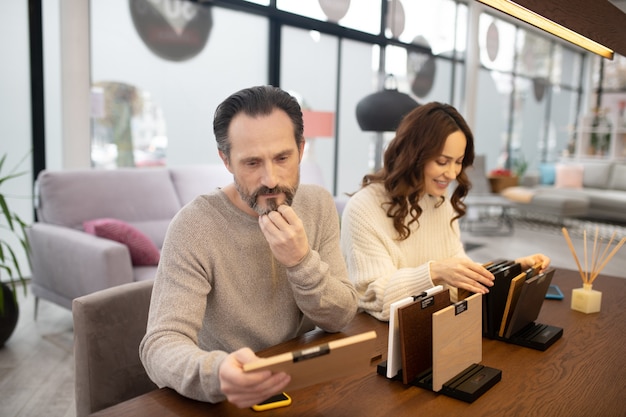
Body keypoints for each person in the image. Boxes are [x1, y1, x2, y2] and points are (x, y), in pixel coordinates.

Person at [139, 85, 358, 408]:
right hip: (228, 397)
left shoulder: (318, 204)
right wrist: (217, 373)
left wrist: (300, 261)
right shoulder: (194, 226)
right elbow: (160, 344)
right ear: (226, 160)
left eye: (283, 158)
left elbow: (340, 317)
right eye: (252, 163)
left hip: (303, 380)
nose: (270, 179)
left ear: (301, 148)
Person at [340, 102, 550, 321]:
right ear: (413, 155)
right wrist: (434, 272)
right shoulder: (363, 209)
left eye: (458, 162)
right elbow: (374, 298)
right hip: (379, 336)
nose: (452, 173)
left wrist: (512, 269)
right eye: (442, 161)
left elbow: (458, 273)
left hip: (432, 326)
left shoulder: (439, 201)